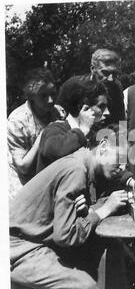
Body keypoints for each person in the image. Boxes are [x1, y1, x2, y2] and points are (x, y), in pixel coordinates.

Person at [10, 129, 130, 289]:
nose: (122, 168)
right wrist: (102, 211)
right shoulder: (76, 170)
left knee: (107, 252)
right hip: (20, 249)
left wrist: (90, 211)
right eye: (120, 160)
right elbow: (65, 236)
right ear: (103, 147)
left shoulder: (81, 164)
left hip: (34, 241)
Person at [7, 68, 65, 202]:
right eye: (43, 95)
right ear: (31, 96)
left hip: (50, 175)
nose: (51, 100)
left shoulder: (58, 112)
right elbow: (23, 167)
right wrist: (43, 136)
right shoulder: (17, 121)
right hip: (24, 184)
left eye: (53, 94)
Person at [36, 80, 110, 173]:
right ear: (84, 108)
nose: (107, 113)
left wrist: (126, 178)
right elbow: (52, 151)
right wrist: (82, 131)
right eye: (101, 106)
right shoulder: (55, 129)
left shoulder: (93, 134)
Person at [57, 48, 125, 125]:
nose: (111, 79)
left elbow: (121, 122)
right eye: (105, 73)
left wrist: (122, 136)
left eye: (114, 74)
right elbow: (58, 117)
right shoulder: (72, 86)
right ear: (93, 69)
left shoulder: (116, 88)